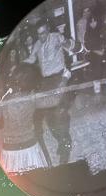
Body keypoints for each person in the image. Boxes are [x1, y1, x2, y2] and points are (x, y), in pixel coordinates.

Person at [24, 20, 73, 166]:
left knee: (60, 114)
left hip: (59, 77)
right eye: (39, 34)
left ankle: (65, 146)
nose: (42, 36)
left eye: (44, 33)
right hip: (46, 82)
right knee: (49, 117)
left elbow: (71, 45)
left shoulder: (57, 36)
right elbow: (32, 59)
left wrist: (64, 43)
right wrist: (20, 66)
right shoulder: (38, 44)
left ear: (48, 30)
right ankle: (61, 140)